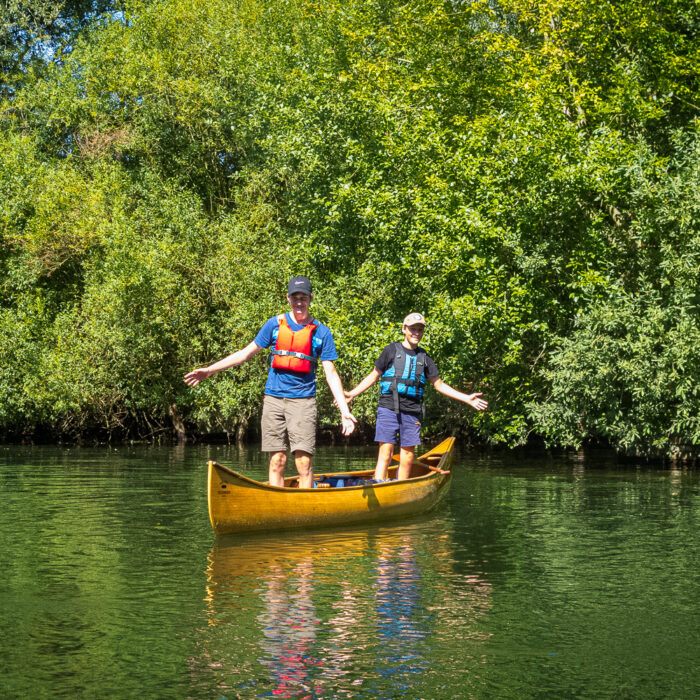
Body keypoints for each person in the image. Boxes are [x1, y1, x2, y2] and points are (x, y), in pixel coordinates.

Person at [184, 276, 356, 488]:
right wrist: (210, 370)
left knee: (303, 462)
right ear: (288, 298)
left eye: (303, 298)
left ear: (311, 298)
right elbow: (244, 354)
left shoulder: (322, 332)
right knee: (277, 461)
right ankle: (278, 505)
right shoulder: (274, 325)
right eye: (295, 298)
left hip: (303, 401)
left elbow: (330, 372)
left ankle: (304, 509)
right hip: (274, 399)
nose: (299, 302)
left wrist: (344, 411)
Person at [344, 313, 487, 481]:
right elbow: (374, 375)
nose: (416, 333)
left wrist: (466, 398)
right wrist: (352, 393)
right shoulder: (390, 350)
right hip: (388, 406)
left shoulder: (424, 358)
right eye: (413, 329)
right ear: (404, 329)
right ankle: (378, 483)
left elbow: (439, 384)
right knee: (386, 451)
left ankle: (401, 486)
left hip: (412, 409)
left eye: (420, 330)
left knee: (408, 455)